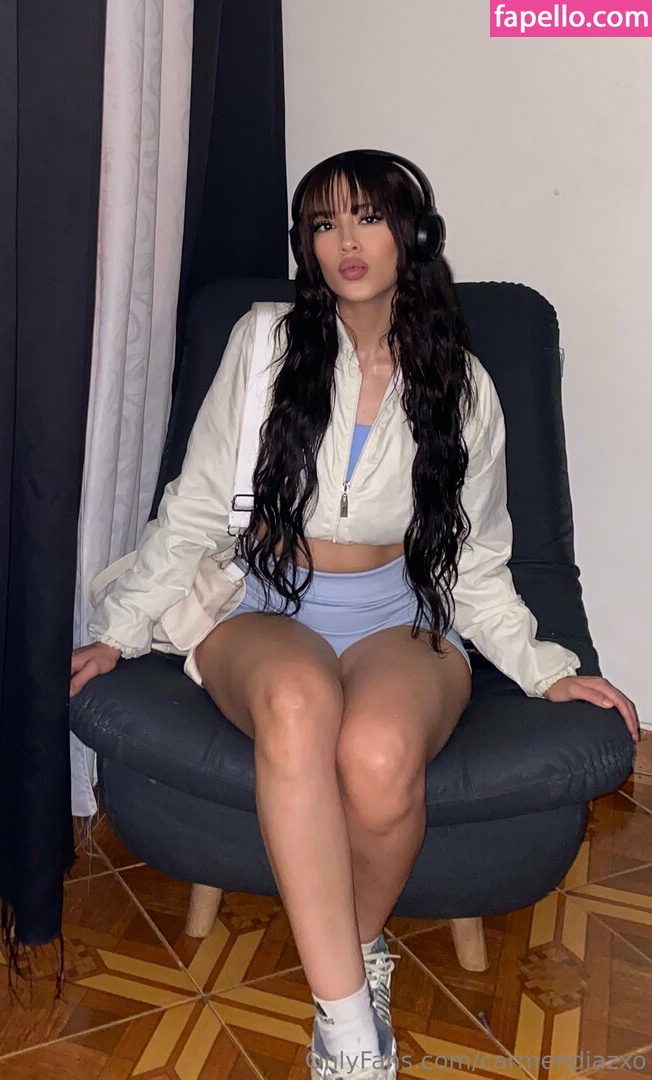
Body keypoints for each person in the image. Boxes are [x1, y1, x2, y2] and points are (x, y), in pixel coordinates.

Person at [71, 149, 640, 1080]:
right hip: (265, 603)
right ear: (307, 243)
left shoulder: (462, 384)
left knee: (377, 758)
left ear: (411, 233)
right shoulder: (263, 345)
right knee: (297, 706)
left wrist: (547, 669)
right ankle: (347, 1031)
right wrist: (117, 631)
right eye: (324, 222)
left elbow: (477, 560)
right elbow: (195, 505)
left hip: (397, 615)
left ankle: (357, 949)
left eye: (368, 216)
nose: (346, 240)